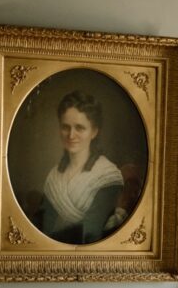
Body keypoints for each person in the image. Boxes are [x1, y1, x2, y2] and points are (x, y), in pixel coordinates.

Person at [35, 90, 124, 244]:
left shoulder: (107, 176)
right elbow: (43, 229)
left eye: (80, 128)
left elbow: (91, 234)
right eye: (65, 127)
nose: (71, 135)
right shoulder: (54, 176)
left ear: (94, 132)